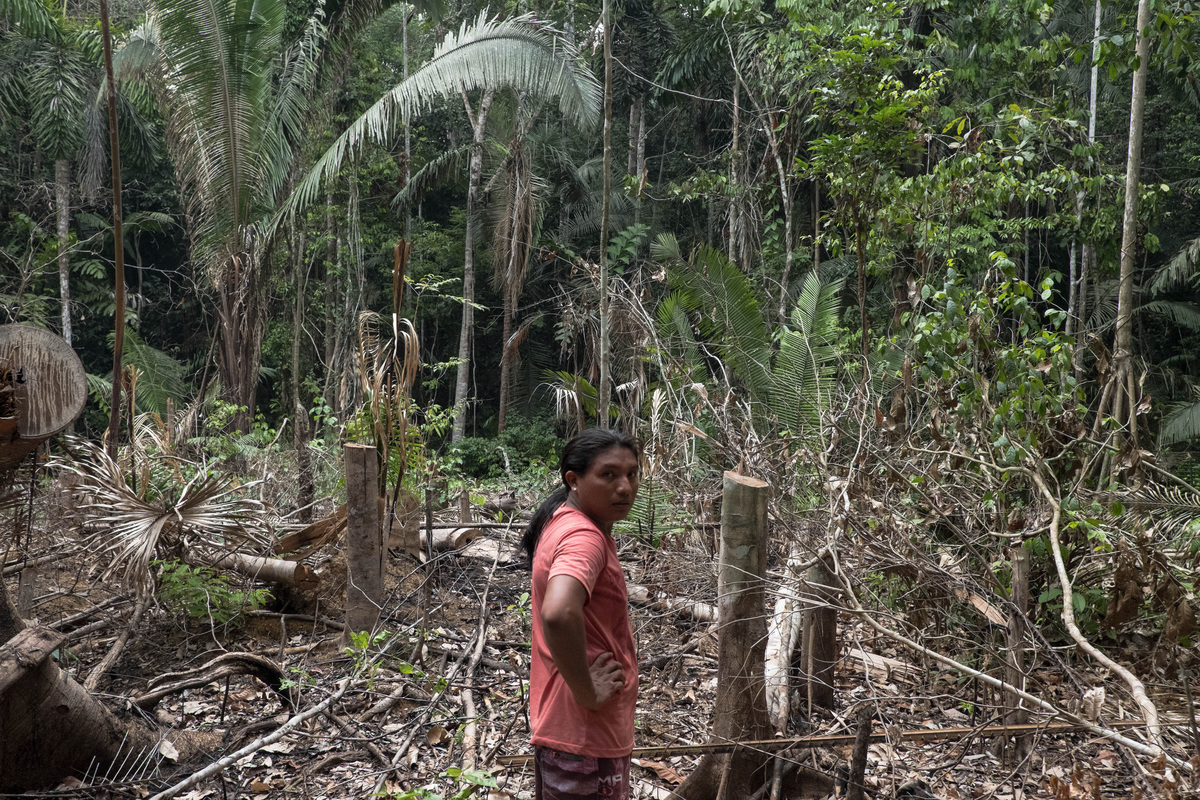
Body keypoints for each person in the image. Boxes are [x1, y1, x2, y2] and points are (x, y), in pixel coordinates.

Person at [522, 428, 641, 800]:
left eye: (632, 474)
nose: (625, 487)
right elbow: (558, 612)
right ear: (573, 480)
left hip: (567, 729)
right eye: (608, 475)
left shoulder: (564, 522)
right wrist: (587, 692)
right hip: (585, 733)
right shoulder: (583, 538)